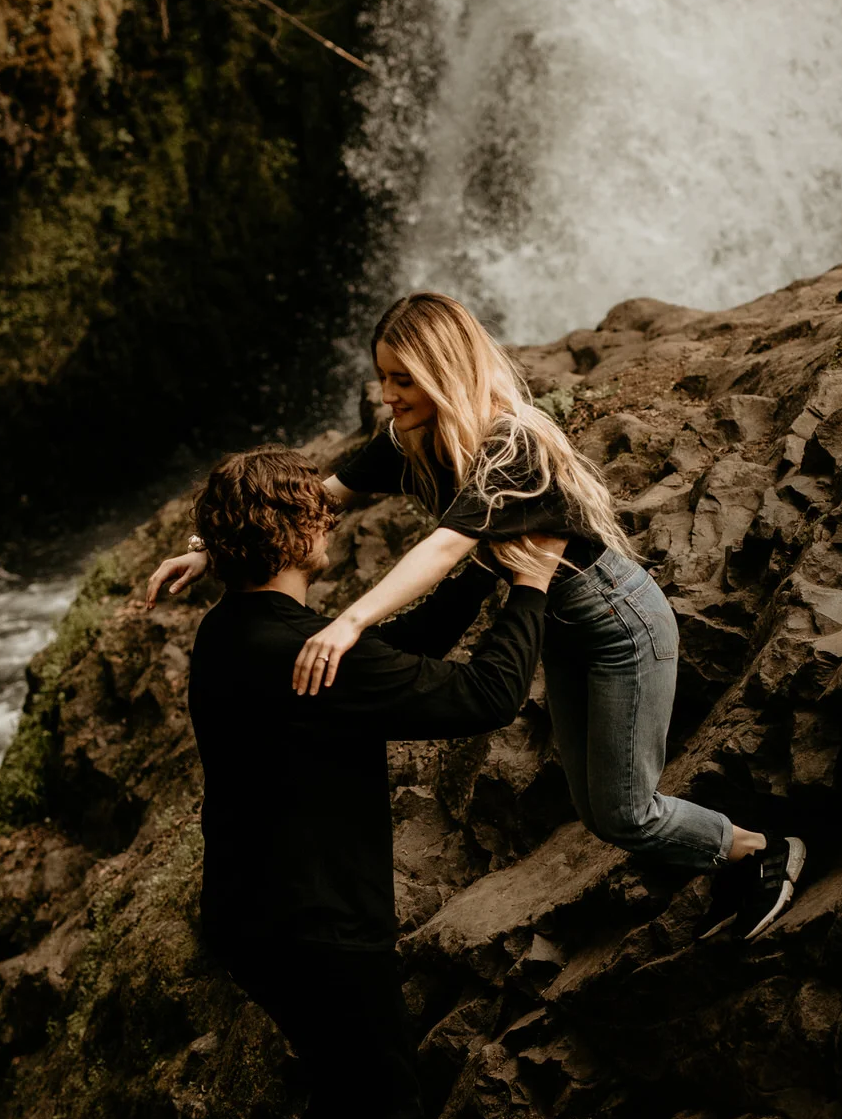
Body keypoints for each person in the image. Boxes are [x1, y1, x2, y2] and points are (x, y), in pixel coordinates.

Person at [152, 291, 804, 941]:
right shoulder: (410, 438)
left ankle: (762, 853)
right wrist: (207, 551)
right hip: (559, 624)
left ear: (444, 370)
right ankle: (725, 857)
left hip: (617, 623)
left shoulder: (511, 444)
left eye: (403, 379)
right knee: (601, 810)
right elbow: (315, 501)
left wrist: (350, 621)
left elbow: (445, 548)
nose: (389, 394)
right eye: (383, 377)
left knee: (624, 812)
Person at [183, 443, 566, 1119]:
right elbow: (481, 697)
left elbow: (391, 660)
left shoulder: (235, 632)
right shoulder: (300, 656)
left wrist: (477, 569)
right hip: (319, 926)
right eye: (320, 508)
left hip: (248, 917)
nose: (333, 517)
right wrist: (531, 589)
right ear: (293, 531)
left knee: (339, 1091)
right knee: (386, 1112)